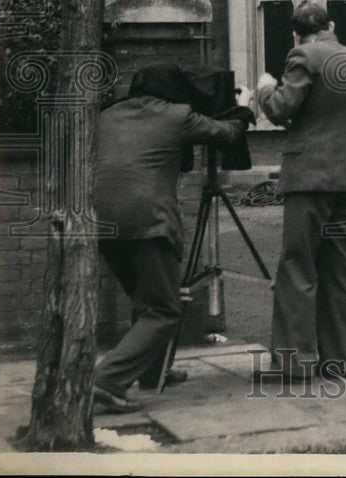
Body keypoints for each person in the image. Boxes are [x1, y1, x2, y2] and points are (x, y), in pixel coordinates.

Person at [93, 63, 252, 413]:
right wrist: (244, 108)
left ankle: (153, 374)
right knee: (163, 309)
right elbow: (226, 134)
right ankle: (107, 379)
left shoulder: (106, 116)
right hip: (149, 221)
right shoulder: (177, 115)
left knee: (142, 298)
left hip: (102, 224)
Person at [256, 1, 346, 381]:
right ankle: (342, 359)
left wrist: (263, 88)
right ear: (332, 25)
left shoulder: (303, 55)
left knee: (297, 265)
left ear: (296, 33)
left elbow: (280, 109)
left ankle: (296, 363)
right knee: (341, 268)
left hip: (309, 177)